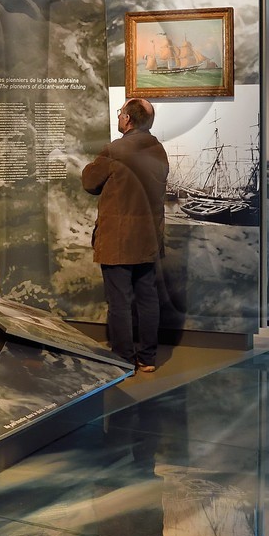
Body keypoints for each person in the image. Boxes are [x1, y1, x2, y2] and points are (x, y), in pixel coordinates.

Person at [82, 97, 169, 372]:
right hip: (148, 240)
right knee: (147, 298)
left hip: (119, 241)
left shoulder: (115, 150)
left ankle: (122, 358)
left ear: (128, 120)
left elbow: (89, 182)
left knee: (119, 302)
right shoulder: (159, 151)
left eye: (120, 113)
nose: (119, 117)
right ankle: (148, 358)